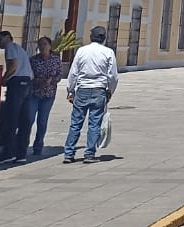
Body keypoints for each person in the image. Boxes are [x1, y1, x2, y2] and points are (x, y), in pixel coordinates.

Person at [64, 26, 119, 164]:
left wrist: (70, 90)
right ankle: (89, 154)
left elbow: (74, 72)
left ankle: (69, 153)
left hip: (82, 89)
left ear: (91, 37)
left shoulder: (82, 51)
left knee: (75, 123)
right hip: (99, 89)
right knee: (94, 124)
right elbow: (113, 76)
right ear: (104, 38)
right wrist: (110, 91)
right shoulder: (108, 52)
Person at [0, 31, 33, 164]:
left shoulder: (10, 47)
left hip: (17, 83)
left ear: (7, 38)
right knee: (24, 120)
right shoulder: (19, 48)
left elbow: (14, 65)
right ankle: (21, 153)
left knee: (11, 119)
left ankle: (8, 153)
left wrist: (4, 79)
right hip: (27, 82)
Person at [26, 36, 62, 156]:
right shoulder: (33, 60)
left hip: (48, 94)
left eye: (45, 44)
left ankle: (38, 146)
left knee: (42, 121)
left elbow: (59, 75)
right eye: (40, 44)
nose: (42, 47)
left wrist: (51, 80)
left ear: (50, 46)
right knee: (29, 119)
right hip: (34, 93)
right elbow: (29, 76)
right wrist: (38, 81)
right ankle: (23, 143)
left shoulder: (55, 60)